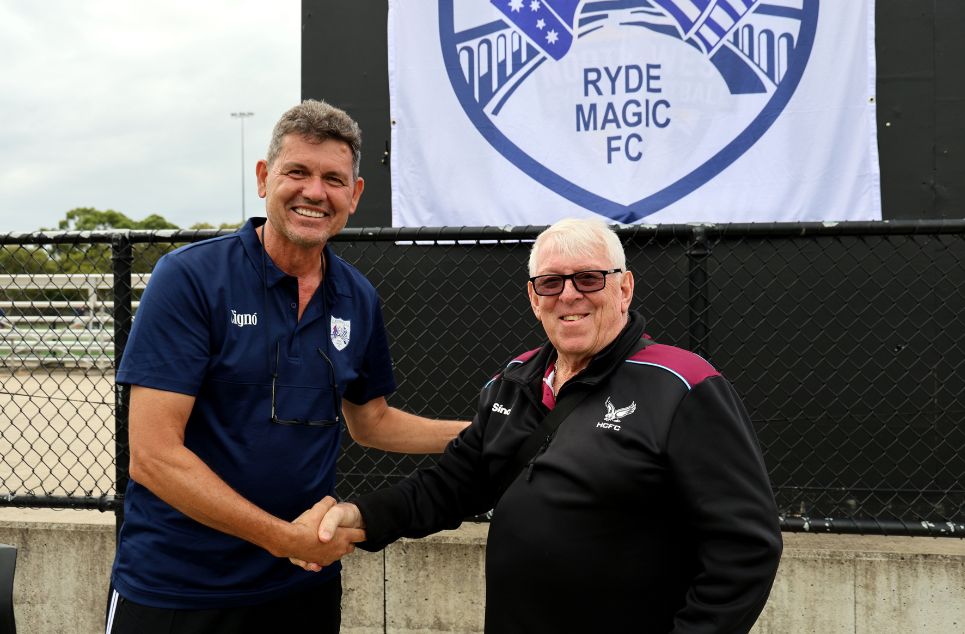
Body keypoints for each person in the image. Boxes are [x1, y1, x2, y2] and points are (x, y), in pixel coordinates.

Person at [304, 218, 783, 633]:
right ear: (534, 298)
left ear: (625, 288)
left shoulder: (683, 384)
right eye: (551, 282)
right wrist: (361, 517)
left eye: (590, 279)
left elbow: (746, 547)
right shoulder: (513, 381)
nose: (569, 294)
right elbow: (450, 485)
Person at [105, 100, 467, 634]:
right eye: (296, 171)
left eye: (333, 178)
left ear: (354, 195)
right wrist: (281, 536)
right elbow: (154, 457)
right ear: (263, 178)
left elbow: (371, 422)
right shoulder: (190, 278)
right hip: (178, 588)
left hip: (302, 587)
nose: (314, 192)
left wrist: (480, 433)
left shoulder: (356, 296)